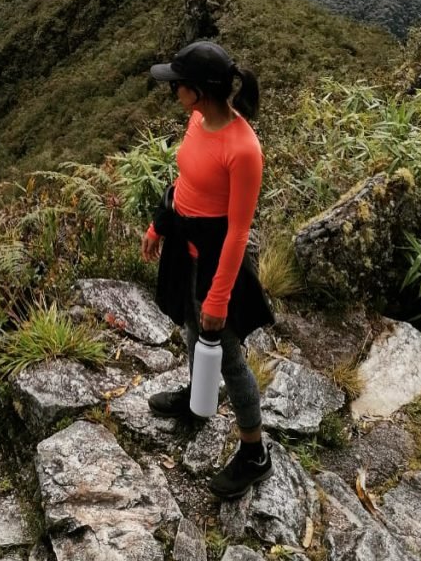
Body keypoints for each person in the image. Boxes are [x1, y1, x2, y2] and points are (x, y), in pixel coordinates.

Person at [141, 39, 274, 499]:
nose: (173, 91)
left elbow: (238, 231)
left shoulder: (243, 149)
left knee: (231, 357)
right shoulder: (196, 119)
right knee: (188, 327)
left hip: (221, 259)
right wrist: (160, 226)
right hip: (185, 245)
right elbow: (185, 180)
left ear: (199, 90)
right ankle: (198, 400)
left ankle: (254, 452)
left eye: (177, 84)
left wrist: (219, 297)